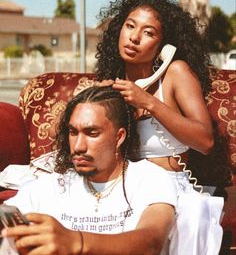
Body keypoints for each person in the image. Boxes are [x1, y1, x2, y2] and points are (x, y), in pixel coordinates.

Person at [95, 0, 224, 254]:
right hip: (126, 186)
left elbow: (205, 141)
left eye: (148, 32)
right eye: (130, 26)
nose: (134, 37)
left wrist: (149, 102)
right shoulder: (113, 82)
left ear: (164, 44)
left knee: (193, 214)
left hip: (171, 185)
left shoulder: (175, 73)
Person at [2, 85, 177, 255]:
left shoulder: (150, 178)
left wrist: (77, 242)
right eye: (73, 132)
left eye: (92, 133)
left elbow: (151, 242)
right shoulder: (47, 187)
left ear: (119, 137)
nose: (78, 146)